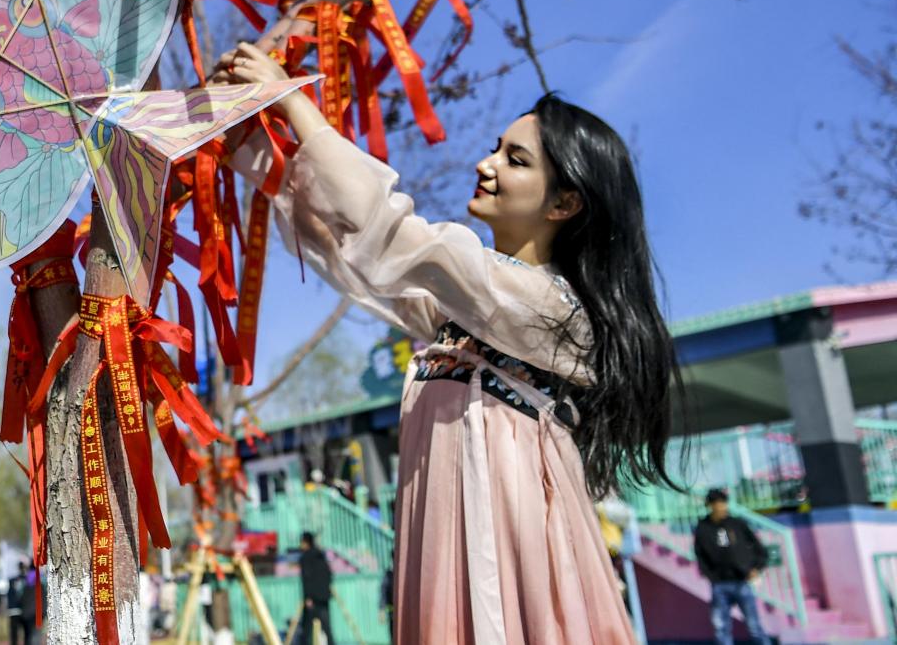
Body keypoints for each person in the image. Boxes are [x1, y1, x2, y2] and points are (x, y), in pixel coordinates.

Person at [214, 44, 677, 643]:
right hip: (445, 530)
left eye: (515, 160)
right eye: (495, 150)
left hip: (511, 537)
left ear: (564, 203)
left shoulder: (555, 311)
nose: (487, 165)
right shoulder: (465, 308)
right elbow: (358, 257)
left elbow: (401, 240)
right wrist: (253, 156)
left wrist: (295, 103)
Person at [695, 488, 769, 645]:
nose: (722, 507)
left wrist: (756, 568)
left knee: (754, 626)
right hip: (720, 585)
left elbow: (759, 549)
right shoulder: (703, 528)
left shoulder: (737, 524)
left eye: (724, 503)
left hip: (742, 582)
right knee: (721, 628)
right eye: (718, 504)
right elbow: (700, 555)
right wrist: (710, 576)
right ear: (710, 505)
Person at [297, 532, 334, 645]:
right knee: (327, 628)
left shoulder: (306, 558)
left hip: (312, 599)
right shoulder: (321, 556)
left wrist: (308, 597)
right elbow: (329, 574)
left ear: (305, 542)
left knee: (307, 630)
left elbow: (306, 578)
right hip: (324, 597)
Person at [6, 562, 32, 645]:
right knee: (27, 633)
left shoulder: (12, 580)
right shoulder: (27, 580)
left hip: (14, 610)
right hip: (24, 610)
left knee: (14, 634)